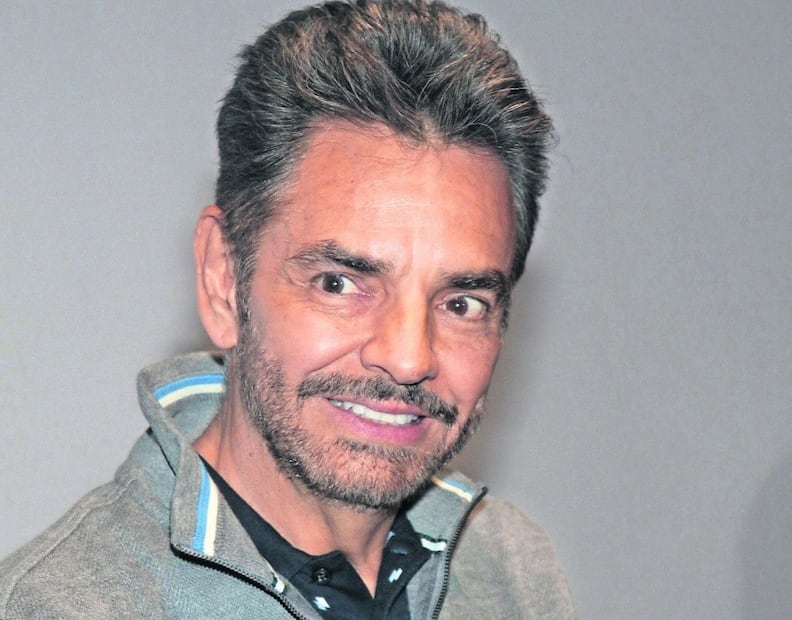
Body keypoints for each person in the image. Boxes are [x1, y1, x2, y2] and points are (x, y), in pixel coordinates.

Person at [0, 1, 576, 617]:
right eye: (339, 283)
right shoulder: (57, 607)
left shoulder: (512, 571)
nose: (409, 358)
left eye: (461, 303)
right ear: (224, 278)